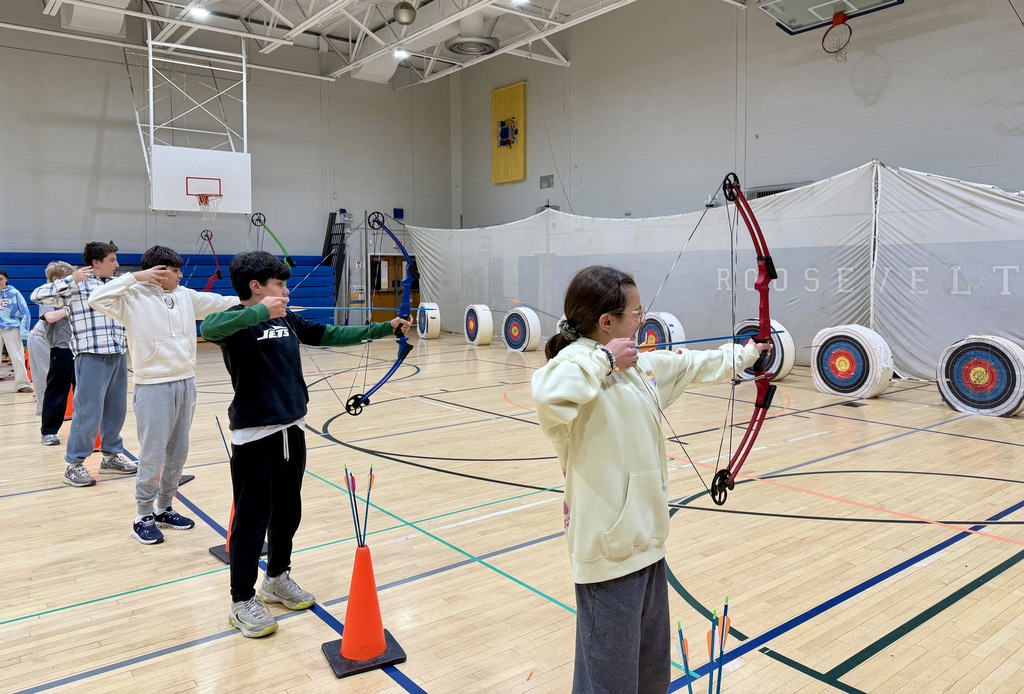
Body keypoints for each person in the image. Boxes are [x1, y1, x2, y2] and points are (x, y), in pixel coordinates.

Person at [530, 265, 771, 694]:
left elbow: (696, 363)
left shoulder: (639, 369)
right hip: (608, 552)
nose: (643, 319)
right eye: (636, 312)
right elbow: (548, 393)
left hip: (648, 545)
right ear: (607, 323)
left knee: (650, 673)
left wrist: (750, 353)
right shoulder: (575, 365)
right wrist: (605, 360)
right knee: (608, 681)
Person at [200, 250, 412, 639]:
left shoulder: (289, 320)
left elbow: (329, 334)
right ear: (256, 287)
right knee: (251, 521)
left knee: (288, 513)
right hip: (255, 437)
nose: (285, 290)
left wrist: (385, 327)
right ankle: (241, 599)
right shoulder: (234, 323)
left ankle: (277, 578)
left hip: (293, 430)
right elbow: (209, 328)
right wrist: (263, 312)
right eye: (278, 284)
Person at [89, 245, 238, 545]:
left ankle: (163, 507)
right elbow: (96, 298)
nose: (181, 275)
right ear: (158, 272)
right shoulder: (130, 298)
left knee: (178, 450)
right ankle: (142, 514)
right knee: (153, 452)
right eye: (176, 270)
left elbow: (221, 302)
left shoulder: (185, 296)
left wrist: (258, 303)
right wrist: (136, 277)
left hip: (186, 382)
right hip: (153, 386)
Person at [31, 242, 138, 487]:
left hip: (118, 352)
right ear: (96, 262)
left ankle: (110, 456)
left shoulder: (115, 284)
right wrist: (71, 280)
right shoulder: (76, 284)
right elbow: (37, 295)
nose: (117, 264)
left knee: (116, 408)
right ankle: (74, 464)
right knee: (88, 412)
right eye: (112, 260)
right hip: (90, 355)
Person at [35, 261, 75, 445]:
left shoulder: (71, 294)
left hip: (80, 348)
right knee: (57, 392)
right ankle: (48, 432)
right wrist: (69, 309)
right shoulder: (47, 293)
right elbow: (50, 317)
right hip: (61, 349)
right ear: (56, 279)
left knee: (83, 392)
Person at [0, 269, 34, 394]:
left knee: (17, 357)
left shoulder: (14, 293)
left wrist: (24, 331)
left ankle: (22, 384)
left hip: (12, 328)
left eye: (0, 279)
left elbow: (25, 312)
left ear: (6, 279)